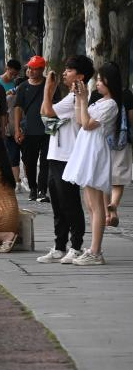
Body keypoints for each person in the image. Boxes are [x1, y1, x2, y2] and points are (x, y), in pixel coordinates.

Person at [62, 63, 121, 265]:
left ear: (110, 82)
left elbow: (87, 124)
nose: (97, 83)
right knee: (90, 204)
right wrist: (80, 98)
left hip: (94, 150)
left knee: (96, 205)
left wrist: (84, 98)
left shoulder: (111, 104)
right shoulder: (100, 102)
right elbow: (80, 120)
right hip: (87, 148)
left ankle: (96, 252)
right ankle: (94, 249)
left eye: (101, 80)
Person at [36, 55, 92, 263]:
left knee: (69, 203)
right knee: (58, 205)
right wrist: (49, 92)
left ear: (80, 76)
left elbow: (47, 112)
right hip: (56, 155)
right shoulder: (70, 97)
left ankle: (76, 246)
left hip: (67, 156)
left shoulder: (77, 97)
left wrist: (47, 89)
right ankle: (60, 246)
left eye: (69, 70)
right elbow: (45, 115)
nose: (64, 73)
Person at [13, 56, 52, 201]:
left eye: (34, 69)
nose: (30, 71)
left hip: (47, 129)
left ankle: (42, 190)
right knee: (29, 161)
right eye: (29, 68)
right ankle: (33, 188)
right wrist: (17, 129)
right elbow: (18, 108)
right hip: (29, 130)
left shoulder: (49, 84)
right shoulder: (23, 87)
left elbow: (56, 105)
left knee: (45, 161)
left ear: (42, 70)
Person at [104, 70, 133, 228]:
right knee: (118, 178)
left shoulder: (97, 95)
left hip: (102, 141)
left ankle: (107, 215)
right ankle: (113, 205)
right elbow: (131, 118)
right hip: (122, 140)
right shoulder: (127, 94)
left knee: (103, 178)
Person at [0, 59, 24, 188]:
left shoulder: (16, 84)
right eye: (12, 73)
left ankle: (12, 179)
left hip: (11, 123)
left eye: (15, 75)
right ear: (6, 68)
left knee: (11, 154)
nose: (13, 77)